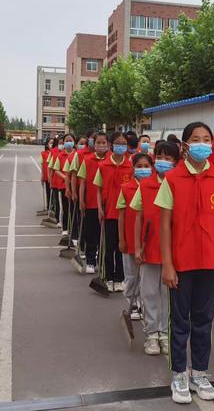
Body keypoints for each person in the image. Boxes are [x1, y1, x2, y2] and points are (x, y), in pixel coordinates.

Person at [157, 122, 214, 404]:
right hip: (181, 264)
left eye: (207, 139)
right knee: (180, 322)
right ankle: (179, 374)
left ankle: (199, 371)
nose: (203, 144)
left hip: (210, 264)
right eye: (196, 139)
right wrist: (167, 264)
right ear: (185, 146)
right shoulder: (173, 179)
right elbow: (165, 226)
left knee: (204, 321)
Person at [131, 141, 180, 356]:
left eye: (169, 158)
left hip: (174, 251)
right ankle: (151, 334)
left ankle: (165, 332)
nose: (164, 161)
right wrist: (137, 247)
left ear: (177, 162)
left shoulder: (180, 184)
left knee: (168, 295)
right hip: (150, 247)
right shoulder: (145, 185)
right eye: (160, 157)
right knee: (150, 293)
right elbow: (139, 217)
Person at [94, 132, 133, 292]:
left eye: (123, 143)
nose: (121, 146)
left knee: (121, 248)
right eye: (118, 143)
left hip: (125, 214)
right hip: (109, 213)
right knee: (108, 248)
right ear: (111, 145)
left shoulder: (130, 166)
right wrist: (100, 209)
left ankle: (119, 278)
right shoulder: (103, 166)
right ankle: (108, 277)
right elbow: (98, 190)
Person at [117, 153, 153, 322]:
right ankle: (132, 302)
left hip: (148, 240)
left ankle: (142, 303)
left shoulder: (157, 188)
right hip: (130, 239)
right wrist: (122, 239)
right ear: (133, 168)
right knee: (132, 275)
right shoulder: (126, 188)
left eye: (147, 166)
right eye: (139, 166)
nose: (143, 169)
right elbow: (122, 216)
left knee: (145, 277)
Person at [77, 132, 109, 274]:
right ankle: (90, 261)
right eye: (98, 143)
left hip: (108, 205)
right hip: (91, 203)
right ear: (93, 144)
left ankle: (102, 262)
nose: (101, 146)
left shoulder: (111, 161)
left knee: (106, 237)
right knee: (92, 233)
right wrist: (81, 200)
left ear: (108, 144)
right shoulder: (87, 160)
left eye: (104, 143)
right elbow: (82, 183)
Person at [48, 136, 62, 226]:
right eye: (60, 143)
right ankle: (58, 218)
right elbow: (51, 168)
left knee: (62, 203)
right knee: (58, 201)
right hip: (56, 181)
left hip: (65, 183)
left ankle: (62, 220)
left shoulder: (73, 152)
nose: (62, 145)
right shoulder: (53, 152)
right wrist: (50, 179)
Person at [40, 138, 53, 211]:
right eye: (50, 143)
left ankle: (53, 206)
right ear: (47, 145)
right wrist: (42, 176)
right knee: (48, 191)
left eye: (53, 143)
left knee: (53, 193)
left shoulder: (55, 152)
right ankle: (49, 206)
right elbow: (42, 165)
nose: (51, 144)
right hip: (46, 176)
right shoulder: (43, 153)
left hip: (53, 176)